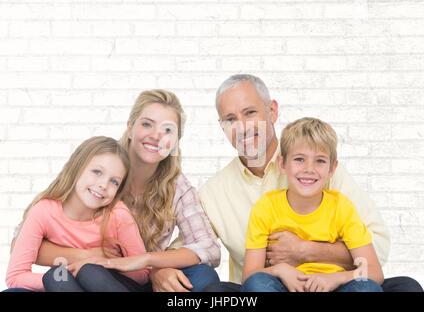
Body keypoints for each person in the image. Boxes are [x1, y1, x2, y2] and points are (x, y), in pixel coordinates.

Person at [200, 74, 422, 292]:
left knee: (406, 288)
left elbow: (379, 249)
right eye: (230, 119)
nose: (242, 127)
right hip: (266, 287)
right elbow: (193, 245)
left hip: (333, 283)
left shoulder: (319, 168)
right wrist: (164, 269)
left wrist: (306, 251)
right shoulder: (213, 192)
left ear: (272, 111)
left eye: (250, 112)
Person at [10, 90, 220, 292]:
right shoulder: (100, 162)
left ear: (175, 141)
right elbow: (20, 246)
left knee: (204, 277)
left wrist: (152, 264)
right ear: (130, 127)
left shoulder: (176, 187)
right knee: (58, 279)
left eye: (168, 130)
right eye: (147, 124)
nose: (156, 136)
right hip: (82, 274)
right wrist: (88, 256)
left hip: (139, 277)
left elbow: (209, 249)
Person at [242, 117, 383, 292]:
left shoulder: (341, 207)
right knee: (257, 284)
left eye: (320, 161)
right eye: (299, 159)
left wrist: (336, 278)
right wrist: (280, 270)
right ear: (282, 164)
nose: (309, 168)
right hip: (285, 287)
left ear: (332, 169)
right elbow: (249, 276)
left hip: (333, 286)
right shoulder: (266, 206)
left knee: (367, 288)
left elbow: (375, 271)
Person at [6, 136, 150, 292]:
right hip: (66, 287)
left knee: (89, 272)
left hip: (110, 285)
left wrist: (102, 263)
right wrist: (73, 271)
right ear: (77, 167)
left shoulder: (118, 215)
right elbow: (15, 276)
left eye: (114, 181)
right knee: (55, 276)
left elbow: (142, 274)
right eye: (97, 172)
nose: (103, 185)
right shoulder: (44, 211)